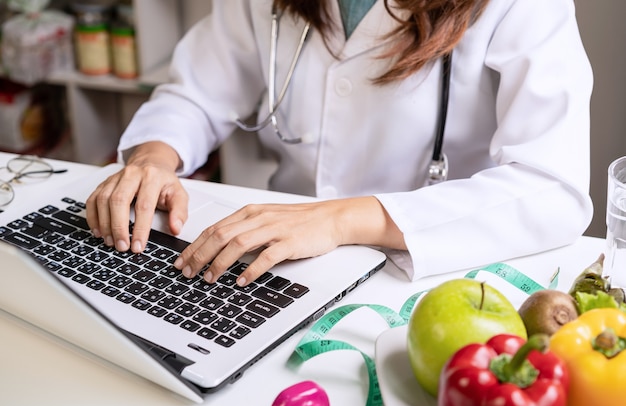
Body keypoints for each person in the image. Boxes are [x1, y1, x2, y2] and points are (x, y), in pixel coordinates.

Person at [86, 0, 593, 287]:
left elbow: (552, 189)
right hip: (276, 262)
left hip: (428, 268)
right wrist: (154, 157)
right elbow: (197, 94)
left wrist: (340, 218)